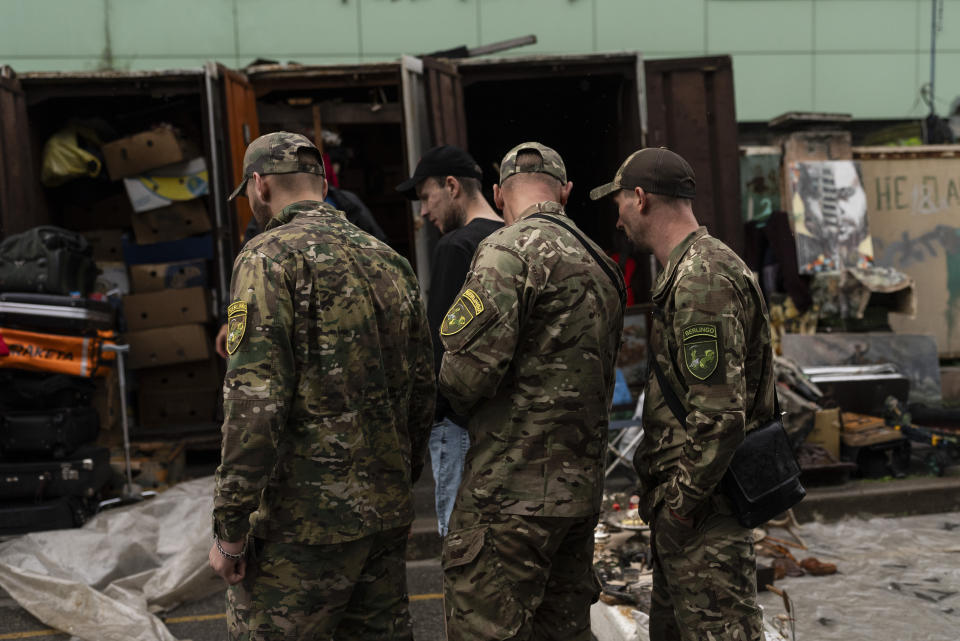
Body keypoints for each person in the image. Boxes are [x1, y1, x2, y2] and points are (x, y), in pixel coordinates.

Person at [208, 131, 435, 641]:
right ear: (324, 185)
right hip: (384, 508)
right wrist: (399, 474)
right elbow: (423, 390)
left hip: (302, 524)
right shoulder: (390, 261)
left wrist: (230, 528)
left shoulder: (267, 259)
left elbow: (254, 403)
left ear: (260, 186)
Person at [438, 142, 624, 641]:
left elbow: (463, 379)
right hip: (578, 496)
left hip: (508, 498)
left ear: (499, 196)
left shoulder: (505, 251)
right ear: (565, 192)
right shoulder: (601, 262)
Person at [590, 147, 772, 641]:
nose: (619, 215)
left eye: (621, 201)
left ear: (642, 199)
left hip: (705, 520)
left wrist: (679, 506)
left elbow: (720, 417)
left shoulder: (701, 282)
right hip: (694, 517)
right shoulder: (691, 271)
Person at [395, 144, 503, 537]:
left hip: (459, 426)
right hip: (507, 427)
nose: (424, 212)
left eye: (426, 197)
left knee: (463, 551)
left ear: (453, 186)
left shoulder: (456, 247)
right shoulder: (514, 241)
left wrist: (428, 418)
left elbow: (440, 350)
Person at [214, 184, 387, 358]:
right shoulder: (264, 222)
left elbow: (381, 260)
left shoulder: (347, 204)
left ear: (260, 187)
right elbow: (244, 271)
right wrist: (227, 319)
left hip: (357, 319)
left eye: (249, 195)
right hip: (307, 327)